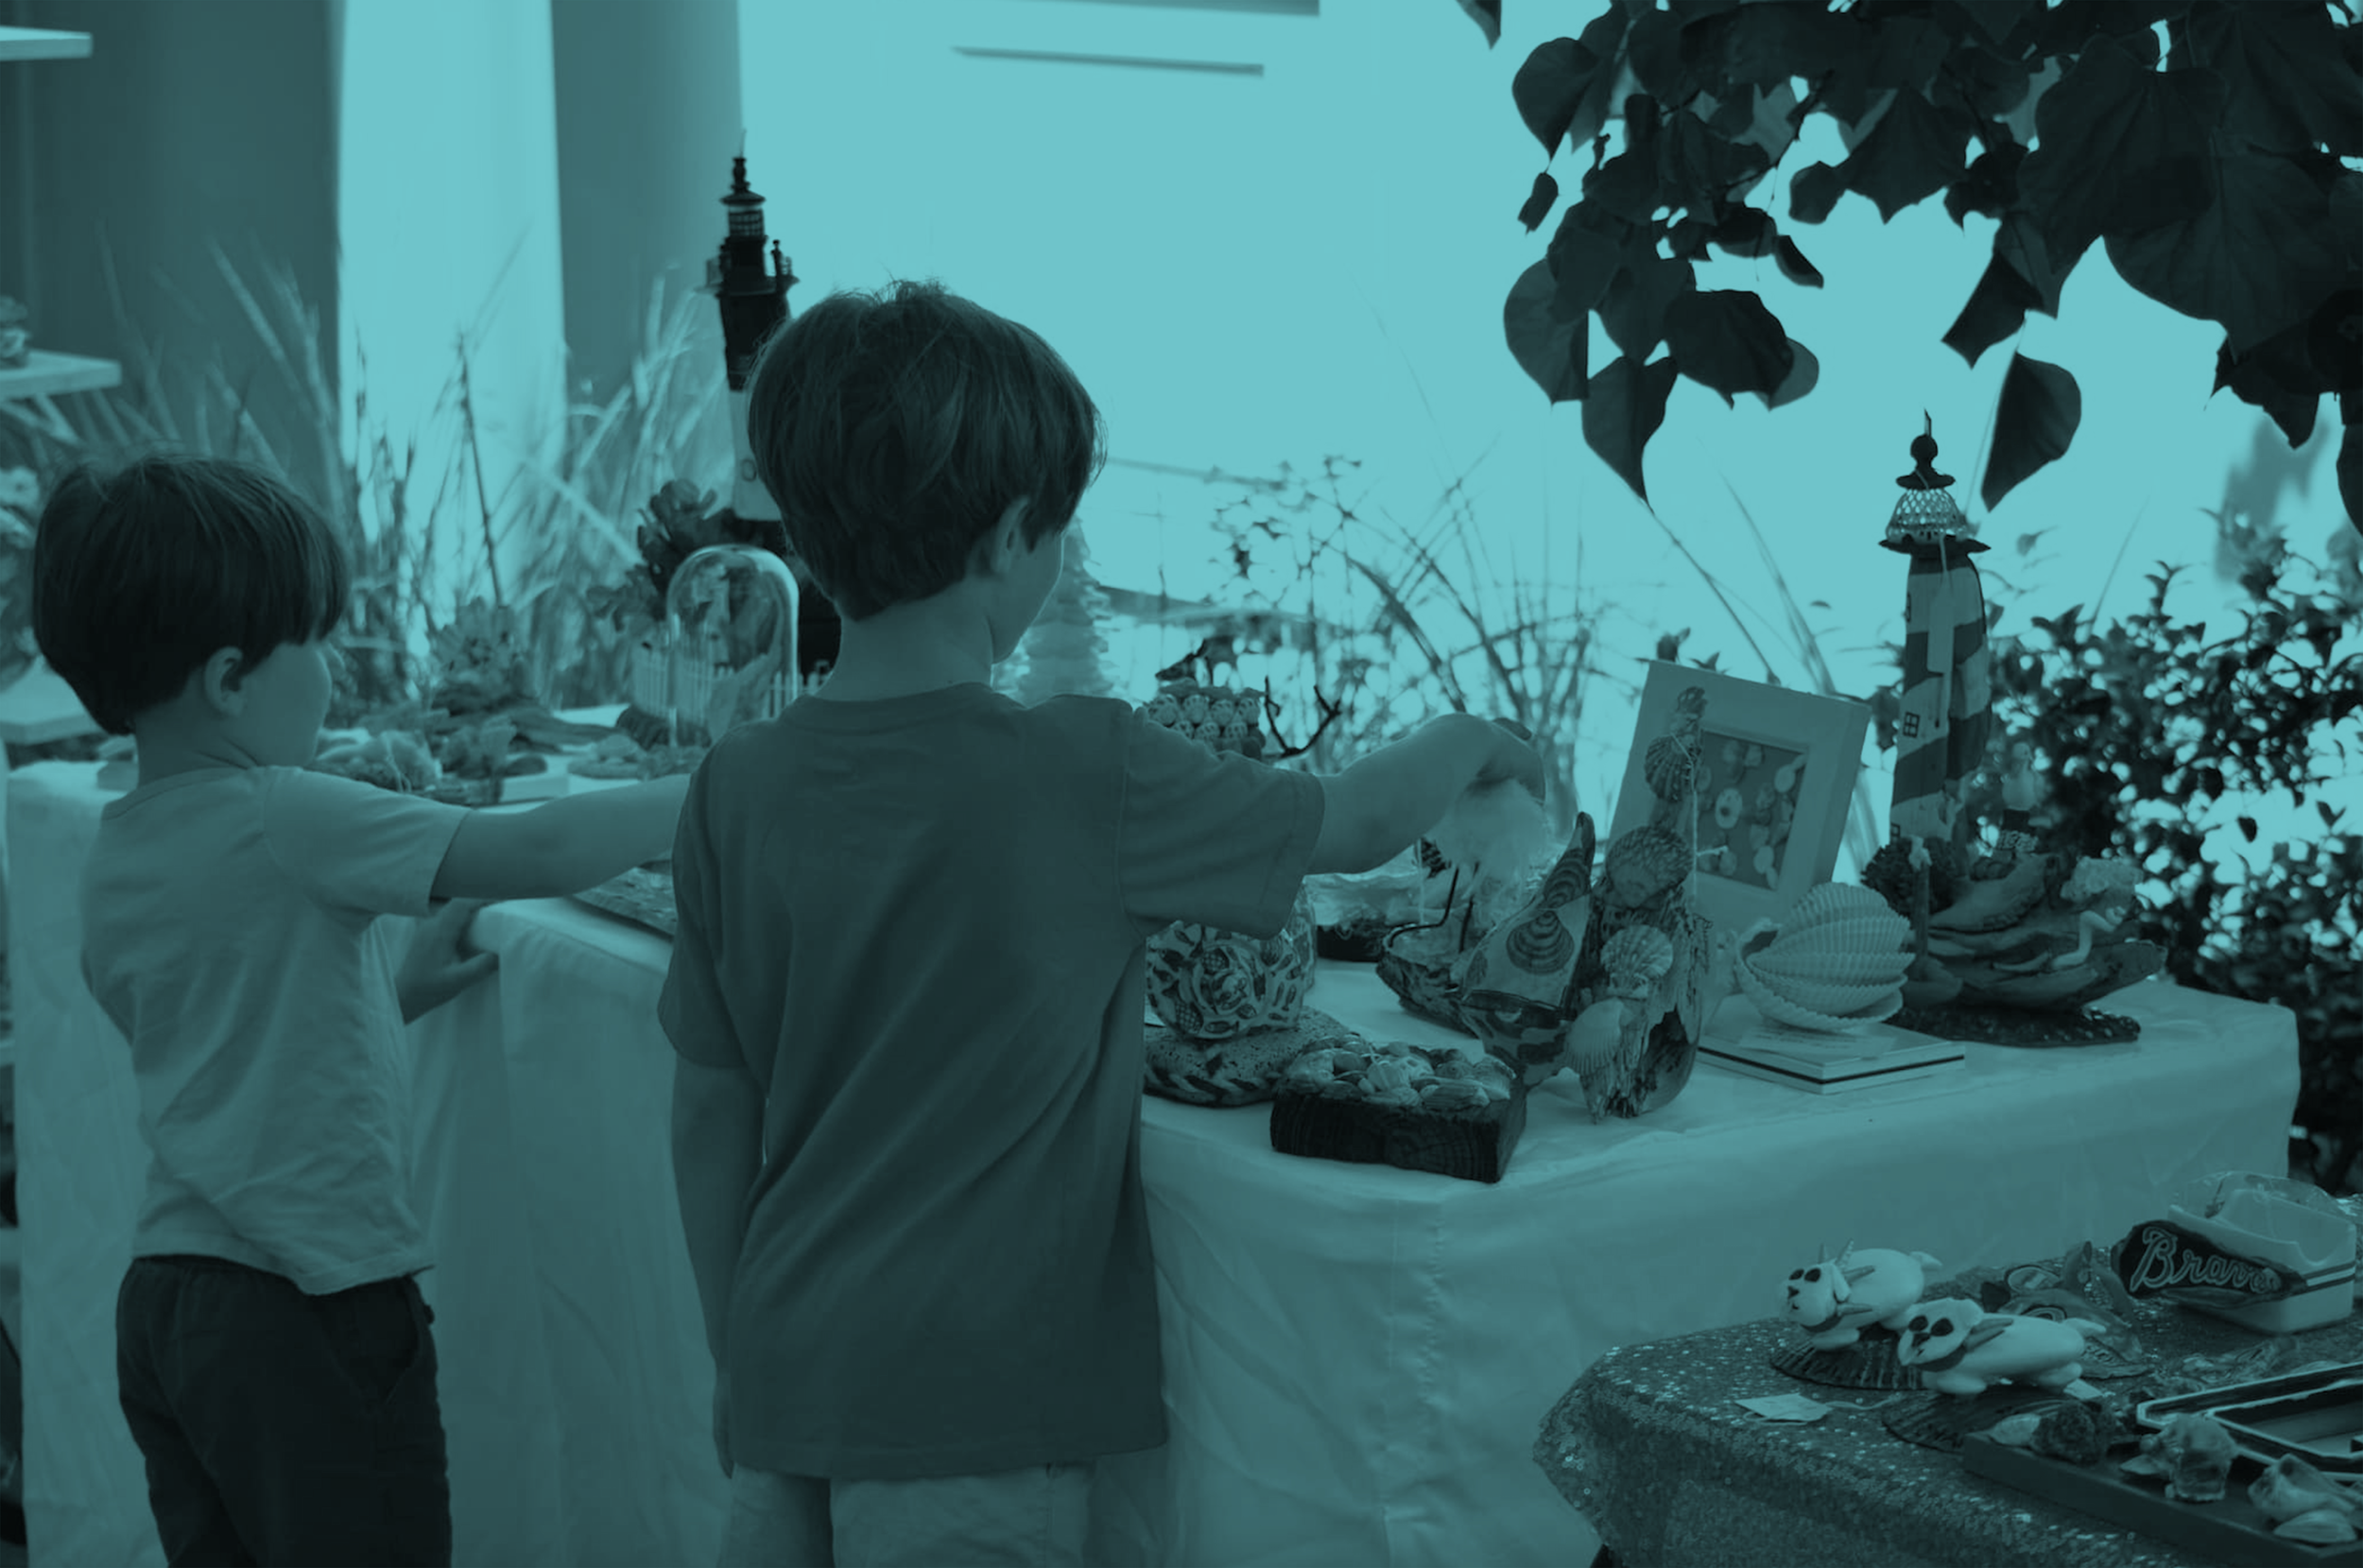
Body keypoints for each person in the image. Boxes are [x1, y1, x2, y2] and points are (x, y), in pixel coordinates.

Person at [689, 276, 1545, 1568]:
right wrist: (1476, 734)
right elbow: (1353, 821)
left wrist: (732, 1351)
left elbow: (709, 1112)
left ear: (803, 533)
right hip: (981, 1393)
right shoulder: (1086, 769)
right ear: (1010, 539)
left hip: (788, 1358)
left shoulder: (732, 786)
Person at [29, 451, 689, 1568]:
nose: (333, 673)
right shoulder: (286, 811)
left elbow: (226, 1032)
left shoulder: (119, 851)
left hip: (172, 1307)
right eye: (318, 644)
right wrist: (708, 787)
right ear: (232, 678)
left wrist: (394, 991)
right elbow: (525, 848)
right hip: (312, 1308)